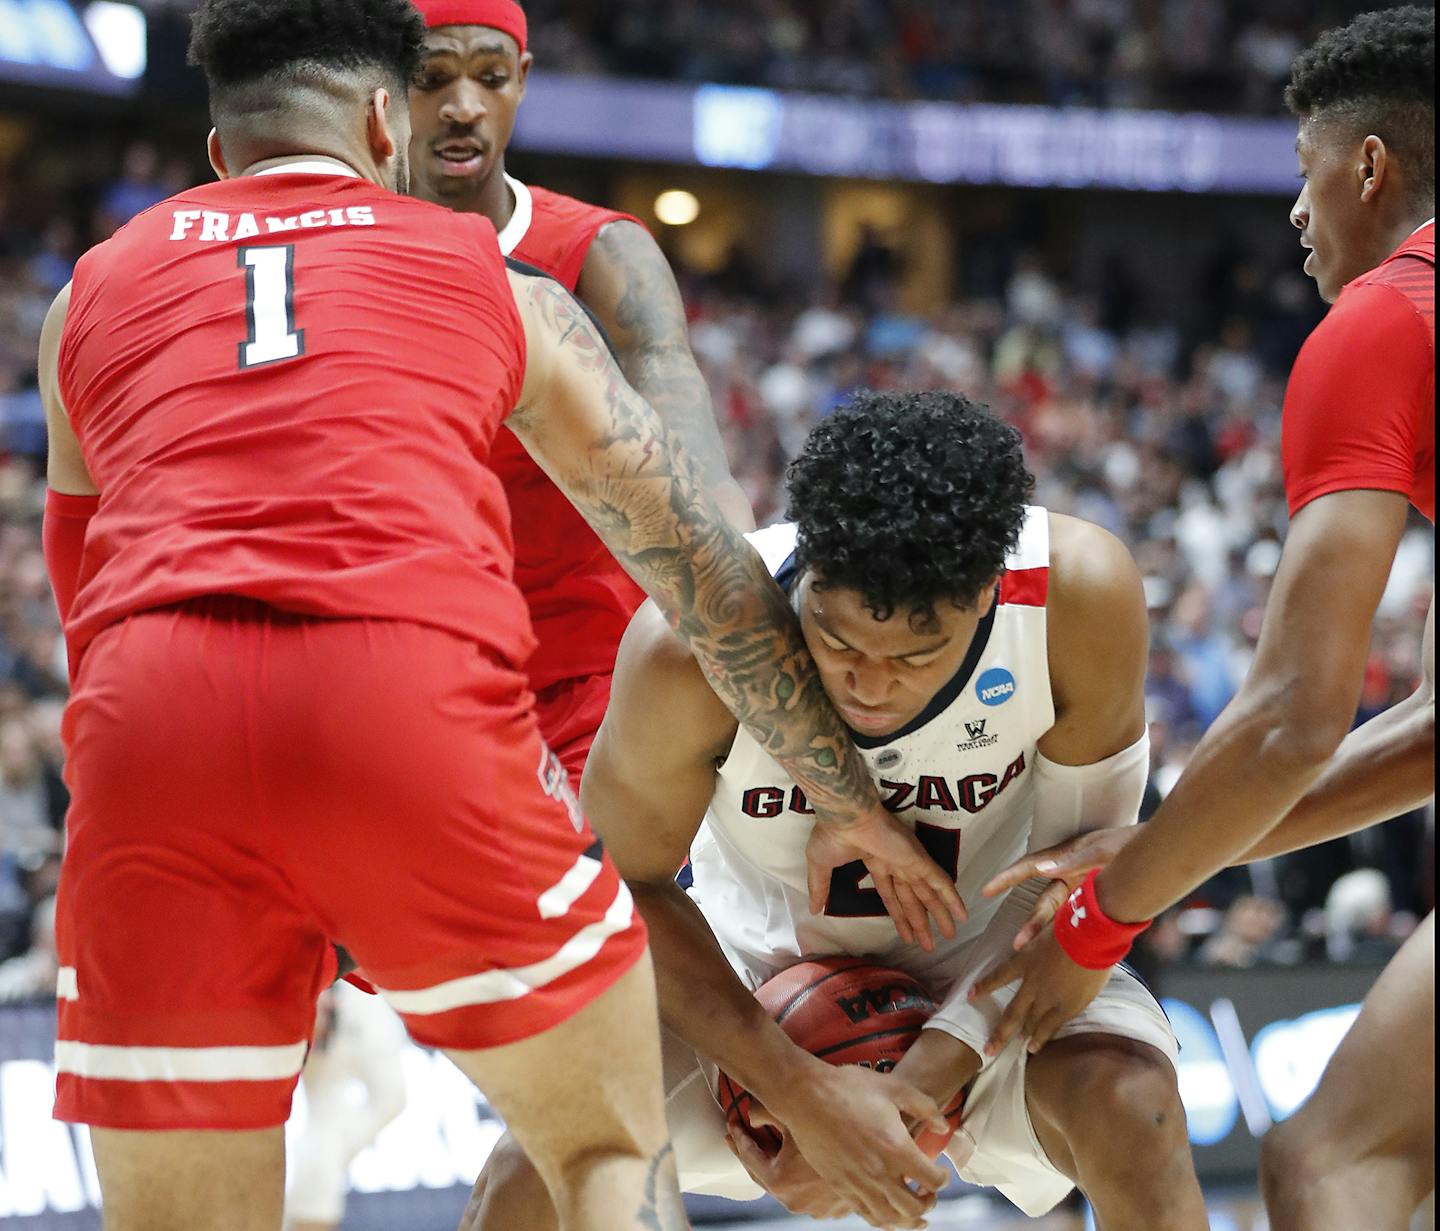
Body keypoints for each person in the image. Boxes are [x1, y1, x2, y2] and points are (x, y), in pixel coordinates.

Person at [35, 3, 960, 1227]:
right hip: (421, 707)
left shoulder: (85, 295)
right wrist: (848, 797)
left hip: (158, 727)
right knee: (606, 1152)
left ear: (220, 155)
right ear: (384, 120)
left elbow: (84, 599)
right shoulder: (489, 275)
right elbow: (707, 569)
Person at [464, 393, 1204, 1231]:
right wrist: (799, 1091)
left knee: (1131, 1103)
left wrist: (920, 1082)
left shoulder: (1076, 599)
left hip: (989, 961)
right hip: (745, 978)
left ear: (989, 595)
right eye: (837, 639)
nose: (870, 683)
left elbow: (1070, 877)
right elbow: (620, 882)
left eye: (916, 656)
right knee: (540, 1159)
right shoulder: (690, 647)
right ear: (807, 572)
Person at [972, 9, 1434, 1228]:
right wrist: (1170, 851)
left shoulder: (1388, 317)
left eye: (1305, 172)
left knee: (1337, 1161)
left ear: (1370, 166)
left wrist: (1105, 910)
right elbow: (1435, 733)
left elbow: (1291, 715)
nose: (1295, 213)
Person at [408, 0, 753, 790]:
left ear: (521, 83)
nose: (464, 107)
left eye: (490, 78)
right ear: (387, 88)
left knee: (612, 913)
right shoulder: (345, 251)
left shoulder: (601, 251)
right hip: (408, 683)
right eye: (433, 78)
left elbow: (693, 454)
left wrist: (745, 573)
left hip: (586, 690)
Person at [284, 984, 408, 1231]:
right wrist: (314, 990)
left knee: (390, 1096)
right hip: (318, 979)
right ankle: (300, 1209)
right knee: (323, 1128)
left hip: (362, 980)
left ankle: (293, 1208)